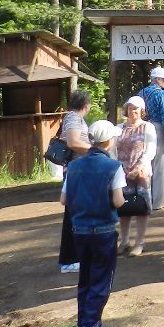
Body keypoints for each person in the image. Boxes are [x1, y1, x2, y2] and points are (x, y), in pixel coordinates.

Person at [60, 119, 125, 327]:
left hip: (79, 231)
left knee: (85, 280)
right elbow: (118, 201)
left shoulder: (74, 166)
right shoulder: (114, 167)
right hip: (104, 230)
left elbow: (64, 200)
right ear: (109, 141)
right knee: (100, 281)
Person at [115, 95, 156, 257]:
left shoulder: (148, 127)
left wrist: (137, 169)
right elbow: (112, 150)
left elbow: (150, 151)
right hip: (121, 173)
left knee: (141, 208)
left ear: (142, 110)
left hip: (141, 172)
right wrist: (120, 169)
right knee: (123, 208)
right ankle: (124, 241)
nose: (134, 111)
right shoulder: (119, 128)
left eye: (137, 108)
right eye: (131, 108)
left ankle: (139, 243)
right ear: (126, 110)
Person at [56, 89, 92, 274]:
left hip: (79, 169)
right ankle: (70, 259)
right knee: (73, 214)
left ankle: (75, 256)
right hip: (75, 170)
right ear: (86, 105)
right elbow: (72, 142)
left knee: (76, 212)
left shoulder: (74, 117)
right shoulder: (73, 118)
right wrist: (95, 150)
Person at [139, 66, 164, 211]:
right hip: (158, 129)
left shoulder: (141, 92)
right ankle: (158, 202)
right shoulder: (162, 95)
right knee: (160, 166)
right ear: (157, 79)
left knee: (146, 163)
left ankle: (144, 198)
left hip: (143, 128)